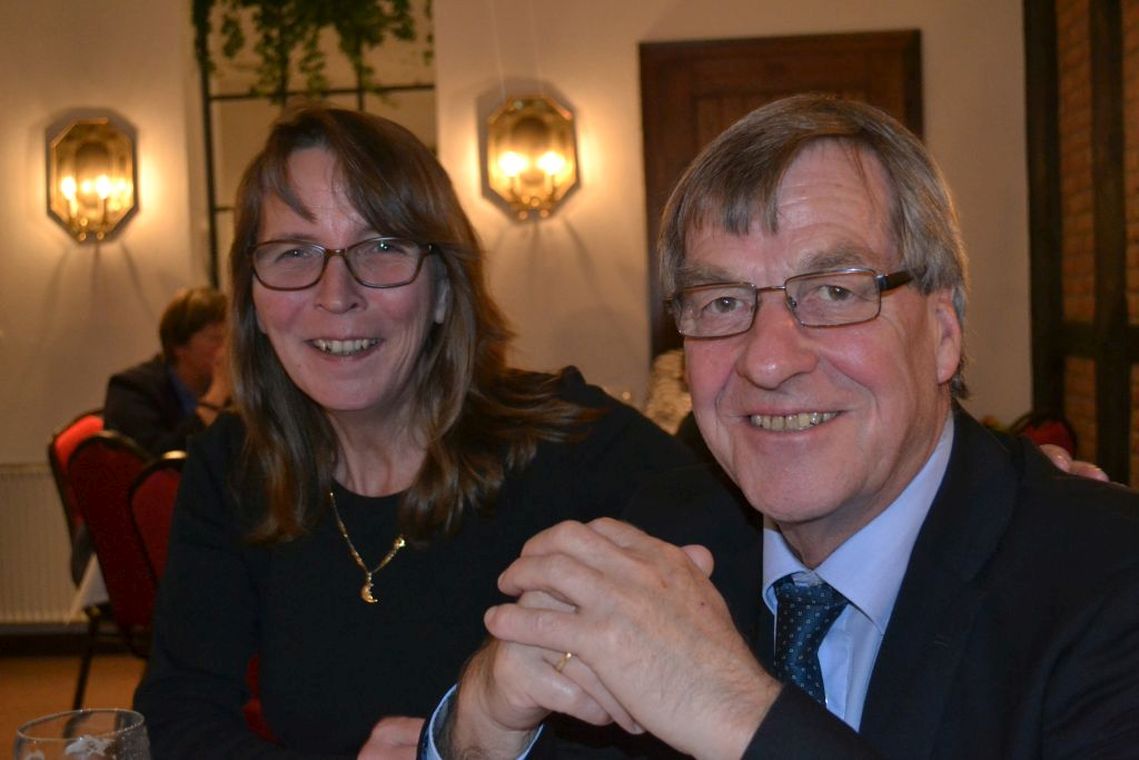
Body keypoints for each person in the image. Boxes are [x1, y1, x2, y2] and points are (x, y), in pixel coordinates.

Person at [430, 95, 1139, 758]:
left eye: (833, 291)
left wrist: (734, 710)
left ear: (943, 333)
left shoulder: (1108, 579)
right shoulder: (667, 535)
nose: (766, 361)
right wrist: (480, 721)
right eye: (720, 302)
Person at [131, 106, 702, 759]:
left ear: (443, 290)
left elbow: (737, 675)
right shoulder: (236, 464)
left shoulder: (571, 442)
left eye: (382, 247)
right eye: (294, 252)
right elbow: (177, 715)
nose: (336, 294)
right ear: (253, 301)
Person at [103, 286, 230, 455]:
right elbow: (157, 460)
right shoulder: (131, 389)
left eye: (231, 338)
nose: (227, 349)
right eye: (216, 338)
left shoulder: (237, 391)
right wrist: (216, 396)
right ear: (179, 346)